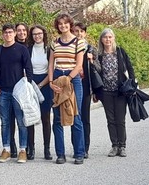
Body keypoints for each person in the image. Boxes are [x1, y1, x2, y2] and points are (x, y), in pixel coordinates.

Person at [0, 23, 33, 164]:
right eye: (5, 32)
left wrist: (28, 87)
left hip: (19, 92)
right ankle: (6, 149)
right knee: (5, 122)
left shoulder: (22, 49)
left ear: (15, 33)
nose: (8, 35)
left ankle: (23, 150)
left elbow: (28, 68)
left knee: (21, 121)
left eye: (10, 32)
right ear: (2, 34)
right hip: (3, 91)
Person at [48, 13, 85, 165]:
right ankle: (60, 154)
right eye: (60, 24)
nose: (63, 26)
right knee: (57, 118)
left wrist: (68, 79)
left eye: (65, 23)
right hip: (57, 77)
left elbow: (79, 64)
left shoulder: (79, 42)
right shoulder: (54, 42)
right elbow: (51, 64)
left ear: (70, 24)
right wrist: (50, 82)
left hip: (72, 79)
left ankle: (79, 153)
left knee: (75, 116)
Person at [97, 28, 135, 158]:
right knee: (110, 120)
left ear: (113, 38)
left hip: (120, 91)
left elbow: (129, 69)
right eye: (105, 37)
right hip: (106, 92)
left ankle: (122, 146)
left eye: (110, 37)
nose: (108, 39)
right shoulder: (99, 55)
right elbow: (96, 73)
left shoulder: (120, 52)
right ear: (101, 39)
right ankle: (114, 145)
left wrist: (132, 85)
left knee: (120, 119)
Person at [27, 24, 53, 160]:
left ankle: (47, 149)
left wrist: (41, 84)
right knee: (31, 118)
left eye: (39, 34)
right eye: (34, 34)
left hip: (45, 83)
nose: (37, 36)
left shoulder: (49, 50)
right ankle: (31, 149)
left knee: (45, 118)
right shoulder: (28, 49)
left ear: (44, 35)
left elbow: (51, 70)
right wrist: (31, 84)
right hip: (31, 83)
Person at [73, 22, 99, 159]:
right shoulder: (71, 48)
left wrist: (92, 60)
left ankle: (85, 148)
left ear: (85, 33)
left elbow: (99, 70)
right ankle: (77, 147)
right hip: (73, 87)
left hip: (86, 88)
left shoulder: (91, 49)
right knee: (74, 118)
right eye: (76, 31)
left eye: (81, 31)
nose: (79, 34)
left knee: (85, 118)